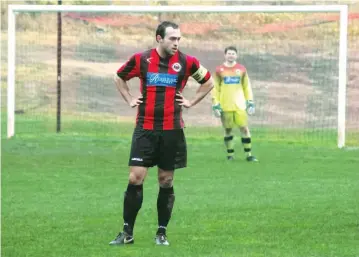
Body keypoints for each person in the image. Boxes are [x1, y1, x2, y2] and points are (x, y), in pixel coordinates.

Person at [109, 21, 214, 246]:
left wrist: (191, 101)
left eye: (178, 39)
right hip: (145, 129)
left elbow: (208, 82)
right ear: (159, 39)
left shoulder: (187, 62)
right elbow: (118, 77)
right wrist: (129, 99)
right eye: (172, 39)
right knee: (135, 177)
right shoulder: (141, 59)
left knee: (166, 180)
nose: (176, 43)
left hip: (172, 131)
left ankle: (161, 233)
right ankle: (127, 233)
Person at [211, 46, 258, 162]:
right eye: (229, 53)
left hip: (240, 105)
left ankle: (249, 155)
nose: (231, 55)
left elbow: (246, 86)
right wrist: (215, 104)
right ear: (225, 55)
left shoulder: (241, 69)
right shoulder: (219, 70)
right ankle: (230, 155)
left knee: (244, 128)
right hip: (225, 105)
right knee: (228, 130)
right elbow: (215, 88)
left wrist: (250, 102)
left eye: (233, 53)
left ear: (236, 55)